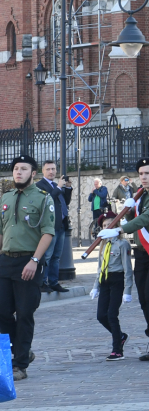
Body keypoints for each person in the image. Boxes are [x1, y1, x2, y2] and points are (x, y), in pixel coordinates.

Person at [98, 157, 149, 361]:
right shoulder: (142, 196)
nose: (144, 177)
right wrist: (130, 210)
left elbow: (147, 219)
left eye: (148, 173)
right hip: (142, 253)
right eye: (141, 174)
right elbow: (137, 217)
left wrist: (120, 229)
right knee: (144, 298)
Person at [0, 155, 55, 380]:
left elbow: (48, 232)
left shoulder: (43, 198)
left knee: (24, 313)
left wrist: (35, 260)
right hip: (5, 260)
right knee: (2, 313)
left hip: (28, 261)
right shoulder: (6, 197)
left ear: (33, 173)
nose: (18, 172)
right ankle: (22, 351)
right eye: (15, 169)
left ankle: (19, 364)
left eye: (23, 169)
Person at [90, 211, 133, 361]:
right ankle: (120, 336)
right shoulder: (103, 245)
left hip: (117, 280)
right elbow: (100, 267)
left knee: (112, 315)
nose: (107, 227)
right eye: (104, 225)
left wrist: (128, 290)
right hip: (105, 281)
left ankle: (117, 350)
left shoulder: (123, 244)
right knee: (101, 315)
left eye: (110, 224)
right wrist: (96, 286)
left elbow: (128, 268)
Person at [36, 160, 69, 294]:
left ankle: (54, 282)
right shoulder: (39, 185)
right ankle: (42, 282)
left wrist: (68, 188)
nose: (51, 172)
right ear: (43, 171)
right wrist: (59, 187)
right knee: (47, 256)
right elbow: (47, 199)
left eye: (53, 169)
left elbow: (64, 202)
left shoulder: (56, 185)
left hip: (60, 225)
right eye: (48, 169)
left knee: (56, 256)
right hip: (49, 226)